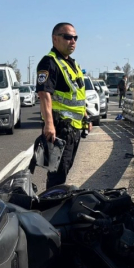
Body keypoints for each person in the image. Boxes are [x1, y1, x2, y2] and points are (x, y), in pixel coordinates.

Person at [35, 22, 91, 190]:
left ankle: (55, 205)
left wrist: (86, 116)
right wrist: (49, 124)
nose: (72, 41)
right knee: (57, 176)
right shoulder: (49, 63)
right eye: (67, 37)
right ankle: (50, 210)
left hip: (74, 129)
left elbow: (77, 95)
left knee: (64, 170)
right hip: (60, 128)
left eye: (75, 37)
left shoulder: (73, 64)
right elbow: (44, 94)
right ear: (55, 39)